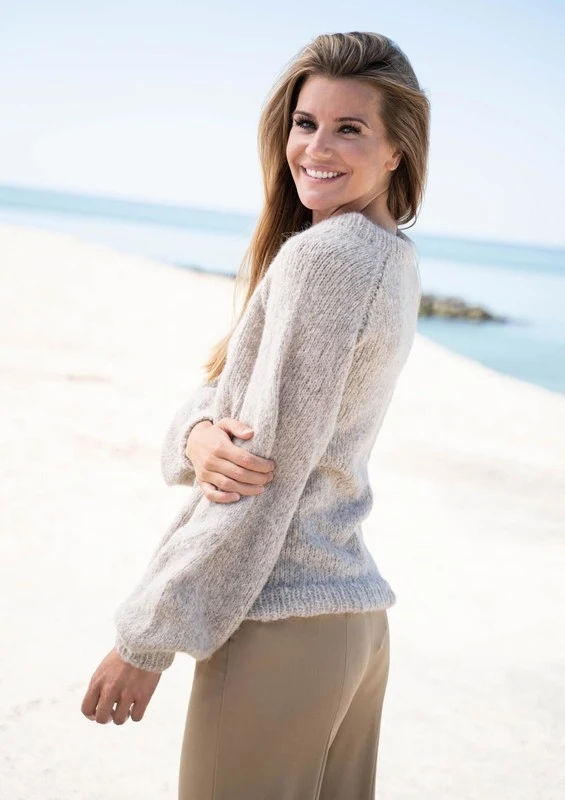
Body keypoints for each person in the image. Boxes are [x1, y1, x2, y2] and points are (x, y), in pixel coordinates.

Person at [81, 30, 430, 799]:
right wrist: (198, 434)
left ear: (396, 150)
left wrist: (146, 637)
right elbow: (241, 417)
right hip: (351, 628)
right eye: (305, 123)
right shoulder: (389, 254)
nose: (315, 148)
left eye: (349, 128)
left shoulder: (326, 258)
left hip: (281, 625)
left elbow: (259, 479)